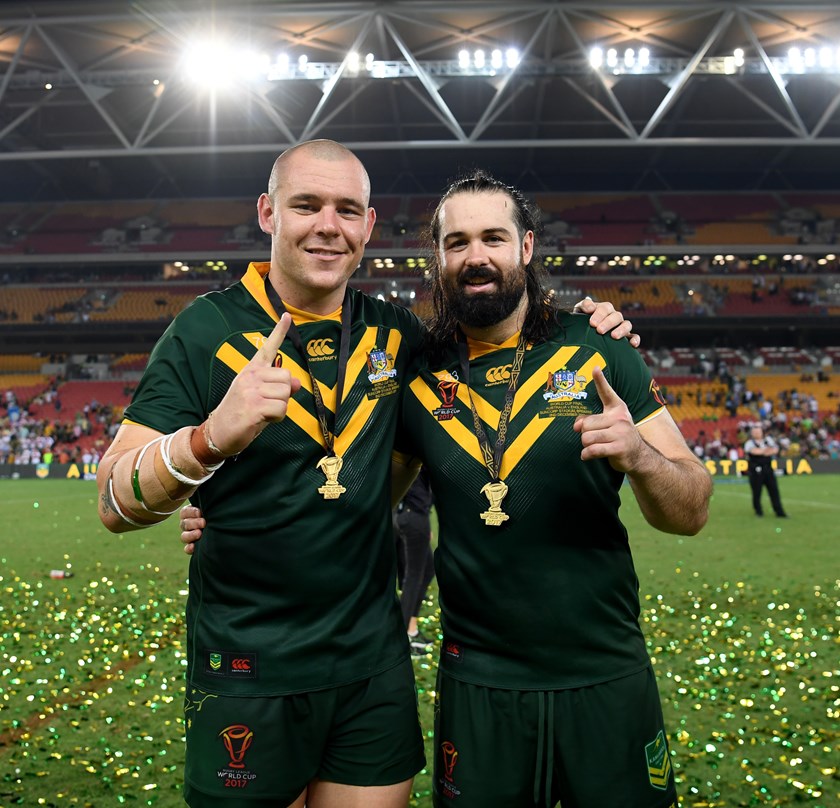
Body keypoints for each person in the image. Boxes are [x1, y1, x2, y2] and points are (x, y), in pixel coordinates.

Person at [98, 139, 636, 808]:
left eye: (347, 209)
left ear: (368, 226)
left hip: (371, 667)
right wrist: (209, 442)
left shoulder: (397, 336)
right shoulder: (203, 332)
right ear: (268, 213)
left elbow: (499, 345)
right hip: (250, 667)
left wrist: (597, 325)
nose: (329, 225)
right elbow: (114, 502)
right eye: (307, 205)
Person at [390, 171, 712, 807]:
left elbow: (692, 508)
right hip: (479, 685)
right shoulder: (417, 374)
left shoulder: (598, 347)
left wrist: (641, 456)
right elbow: (358, 504)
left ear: (527, 247)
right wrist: (230, 518)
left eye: (493, 238)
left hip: (605, 673)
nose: (475, 257)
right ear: (438, 258)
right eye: (457, 243)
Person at [393, 467, 436, 655]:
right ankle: (401, 641)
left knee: (427, 571)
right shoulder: (413, 451)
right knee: (413, 577)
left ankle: (411, 628)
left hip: (407, 515)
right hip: (414, 516)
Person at [743, 424, 788, 517]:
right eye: (754, 432)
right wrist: (766, 451)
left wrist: (762, 451)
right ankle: (758, 511)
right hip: (755, 471)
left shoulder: (768, 440)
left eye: (758, 432)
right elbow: (754, 451)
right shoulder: (749, 443)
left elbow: (775, 450)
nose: (756, 433)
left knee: (774, 491)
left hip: (768, 470)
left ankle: (779, 511)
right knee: (756, 492)